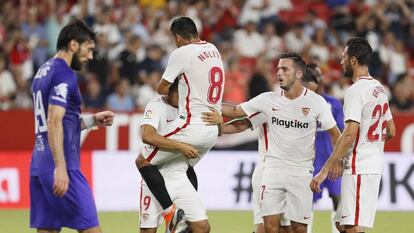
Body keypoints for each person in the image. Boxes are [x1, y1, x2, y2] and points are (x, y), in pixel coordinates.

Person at [221, 52, 341, 233]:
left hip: (301, 172)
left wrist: (335, 162)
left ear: (299, 74)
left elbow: (336, 134)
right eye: (278, 69)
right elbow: (238, 115)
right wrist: (209, 106)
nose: (279, 73)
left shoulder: (316, 103)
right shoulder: (268, 101)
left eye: (284, 69)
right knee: (268, 227)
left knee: (298, 229)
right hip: (271, 170)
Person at [136, 16, 225, 233]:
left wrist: (180, 145)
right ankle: (178, 217)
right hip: (211, 130)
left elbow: (161, 87)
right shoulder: (213, 50)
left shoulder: (182, 53)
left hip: (192, 127)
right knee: (201, 226)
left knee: (142, 161)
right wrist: (220, 121)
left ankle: (170, 213)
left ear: (178, 37)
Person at [30, 19, 115, 233]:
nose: (90, 56)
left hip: (39, 166)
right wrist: (60, 167)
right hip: (63, 165)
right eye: (89, 49)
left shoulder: (43, 71)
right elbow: (54, 120)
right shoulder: (64, 73)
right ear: (74, 45)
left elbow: (59, 121)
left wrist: (91, 121)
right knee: (92, 230)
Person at [310, 37, 396, 233]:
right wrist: (370, 143)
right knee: (341, 223)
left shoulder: (355, 91)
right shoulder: (379, 88)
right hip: (372, 163)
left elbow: (349, 134)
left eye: (344, 57)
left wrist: (326, 169)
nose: (341, 62)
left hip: (359, 166)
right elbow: (391, 130)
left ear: (354, 60)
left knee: (353, 227)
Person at [136, 80, 208, 233]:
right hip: (154, 175)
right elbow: (147, 136)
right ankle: (170, 213)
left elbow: (218, 127)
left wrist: (219, 120)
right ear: (169, 91)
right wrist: (180, 146)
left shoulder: (191, 107)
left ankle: (172, 218)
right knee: (148, 230)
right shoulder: (155, 106)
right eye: (179, 92)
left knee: (201, 227)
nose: (183, 96)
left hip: (179, 173)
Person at [202, 110, 291, 233]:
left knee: (267, 225)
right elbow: (237, 112)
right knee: (280, 226)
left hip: (272, 171)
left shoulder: (272, 104)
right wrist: (216, 115)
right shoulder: (270, 104)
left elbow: (239, 118)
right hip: (274, 171)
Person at [302, 64, 344, 233]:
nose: (317, 79)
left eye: (319, 75)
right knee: (306, 203)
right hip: (310, 163)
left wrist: (339, 159)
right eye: (314, 75)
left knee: (338, 200)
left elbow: (340, 133)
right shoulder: (299, 104)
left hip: (331, 160)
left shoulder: (333, 103)